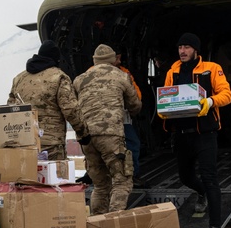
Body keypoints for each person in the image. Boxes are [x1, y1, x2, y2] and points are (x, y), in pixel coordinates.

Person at [162, 33, 231, 228]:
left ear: (195, 50)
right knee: (185, 177)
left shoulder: (211, 68)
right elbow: (165, 97)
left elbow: (227, 94)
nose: (182, 51)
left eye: (186, 47)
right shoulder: (171, 72)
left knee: (210, 178)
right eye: (180, 47)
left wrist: (210, 102)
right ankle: (200, 193)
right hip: (182, 134)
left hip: (205, 134)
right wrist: (163, 111)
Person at [73, 44, 142, 214]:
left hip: (86, 137)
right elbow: (135, 105)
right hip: (110, 135)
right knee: (122, 180)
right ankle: (113, 222)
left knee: (100, 185)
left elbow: (73, 106)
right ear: (113, 59)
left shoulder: (79, 79)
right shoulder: (122, 76)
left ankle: (98, 224)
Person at [8, 40, 86, 160]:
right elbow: (70, 109)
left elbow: (10, 109)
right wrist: (83, 133)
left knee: (27, 178)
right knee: (52, 177)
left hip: (24, 142)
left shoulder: (19, 78)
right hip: (51, 144)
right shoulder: (59, 77)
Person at [114, 47, 144, 183]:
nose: (120, 61)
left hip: (97, 120)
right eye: (117, 58)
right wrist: (134, 109)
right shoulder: (123, 75)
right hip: (118, 118)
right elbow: (135, 98)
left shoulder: (87, 74)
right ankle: (131, 176)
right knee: (132, 144)